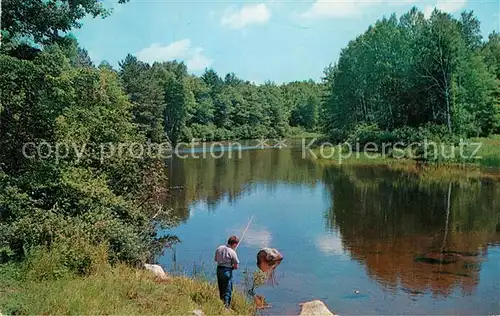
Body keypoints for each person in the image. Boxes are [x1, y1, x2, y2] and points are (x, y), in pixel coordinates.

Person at [214, 235, 240, 308]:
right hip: (227, 272)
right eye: (236, 245)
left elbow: (216, 260)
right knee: (228, 290)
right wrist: (231, 265)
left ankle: (221, 304)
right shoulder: (232, 252)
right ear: (234, 244)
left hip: (219, 270)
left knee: (221, 288)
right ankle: (226, 307)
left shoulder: (219, 248)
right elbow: (236, 266)